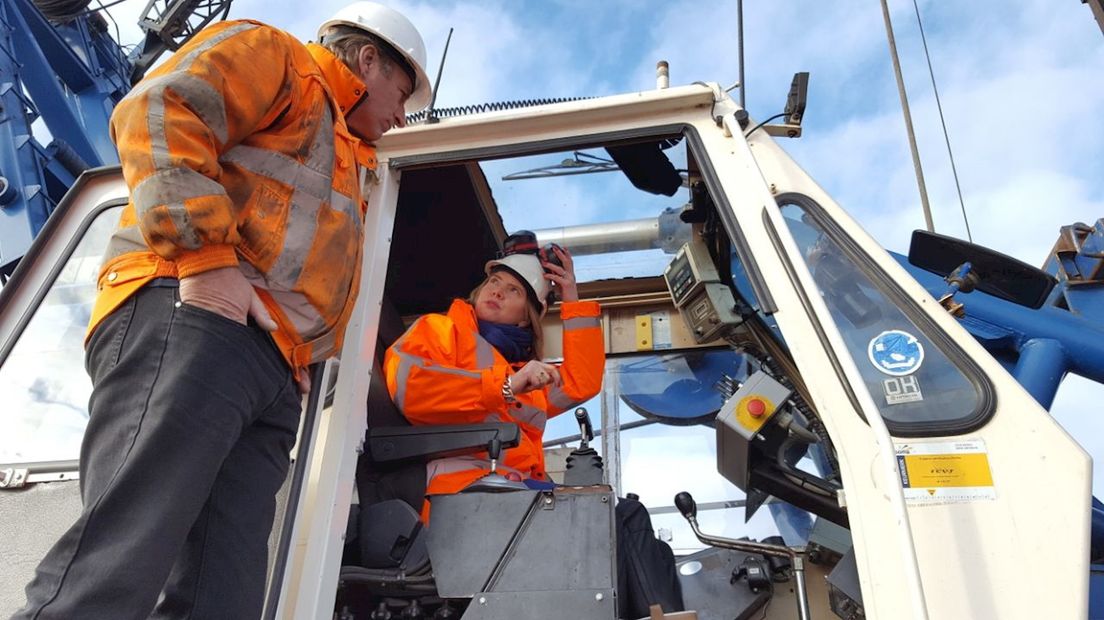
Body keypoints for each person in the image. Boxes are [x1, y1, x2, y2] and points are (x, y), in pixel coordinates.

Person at [14, 3, 431, 619]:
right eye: (403, 93)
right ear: (368, 59)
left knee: (223, 597)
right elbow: (159, 110)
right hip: (190, 312)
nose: (401, 116)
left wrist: (300, 357)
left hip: (267, 368)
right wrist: (207, 262)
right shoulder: (278, 58)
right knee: (122, 558)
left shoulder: (351, 156)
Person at [383, 237, 605, 521]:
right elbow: (412, 388)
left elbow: (581, 382)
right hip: (459, 496)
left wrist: (571, 298)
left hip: (508, 493)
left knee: (619, 517)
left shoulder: (520, 371)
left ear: (526, 318)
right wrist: (504, 387)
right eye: (494, 282)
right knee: (611, 520)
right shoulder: (440, 329)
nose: (498, 292)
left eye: (513, 290)